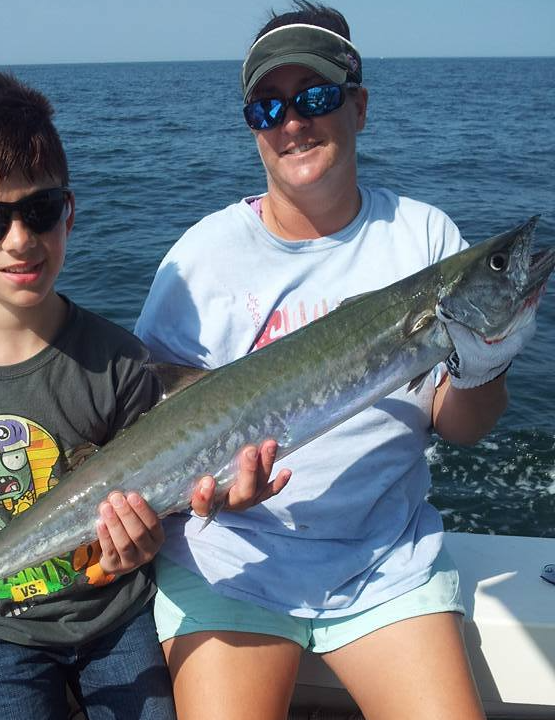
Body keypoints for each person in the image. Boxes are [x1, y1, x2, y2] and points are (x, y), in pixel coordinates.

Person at [0, 69, 288, 720]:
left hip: (114, 616)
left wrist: (138, 543)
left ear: (68, 213)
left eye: (39, 210)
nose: (19, 239)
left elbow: (150, 512)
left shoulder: (122, 363)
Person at [135, 3, 539, 719]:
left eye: (316, 97)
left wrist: (485, 363)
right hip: (231, 566)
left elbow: (462, 426)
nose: (294, 123)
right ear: (253, 126)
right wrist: (208, 492)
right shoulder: (198, 261)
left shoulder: (424, 236)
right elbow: (154, 418)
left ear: (358, 106)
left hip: (385, 566)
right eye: (268, 108)